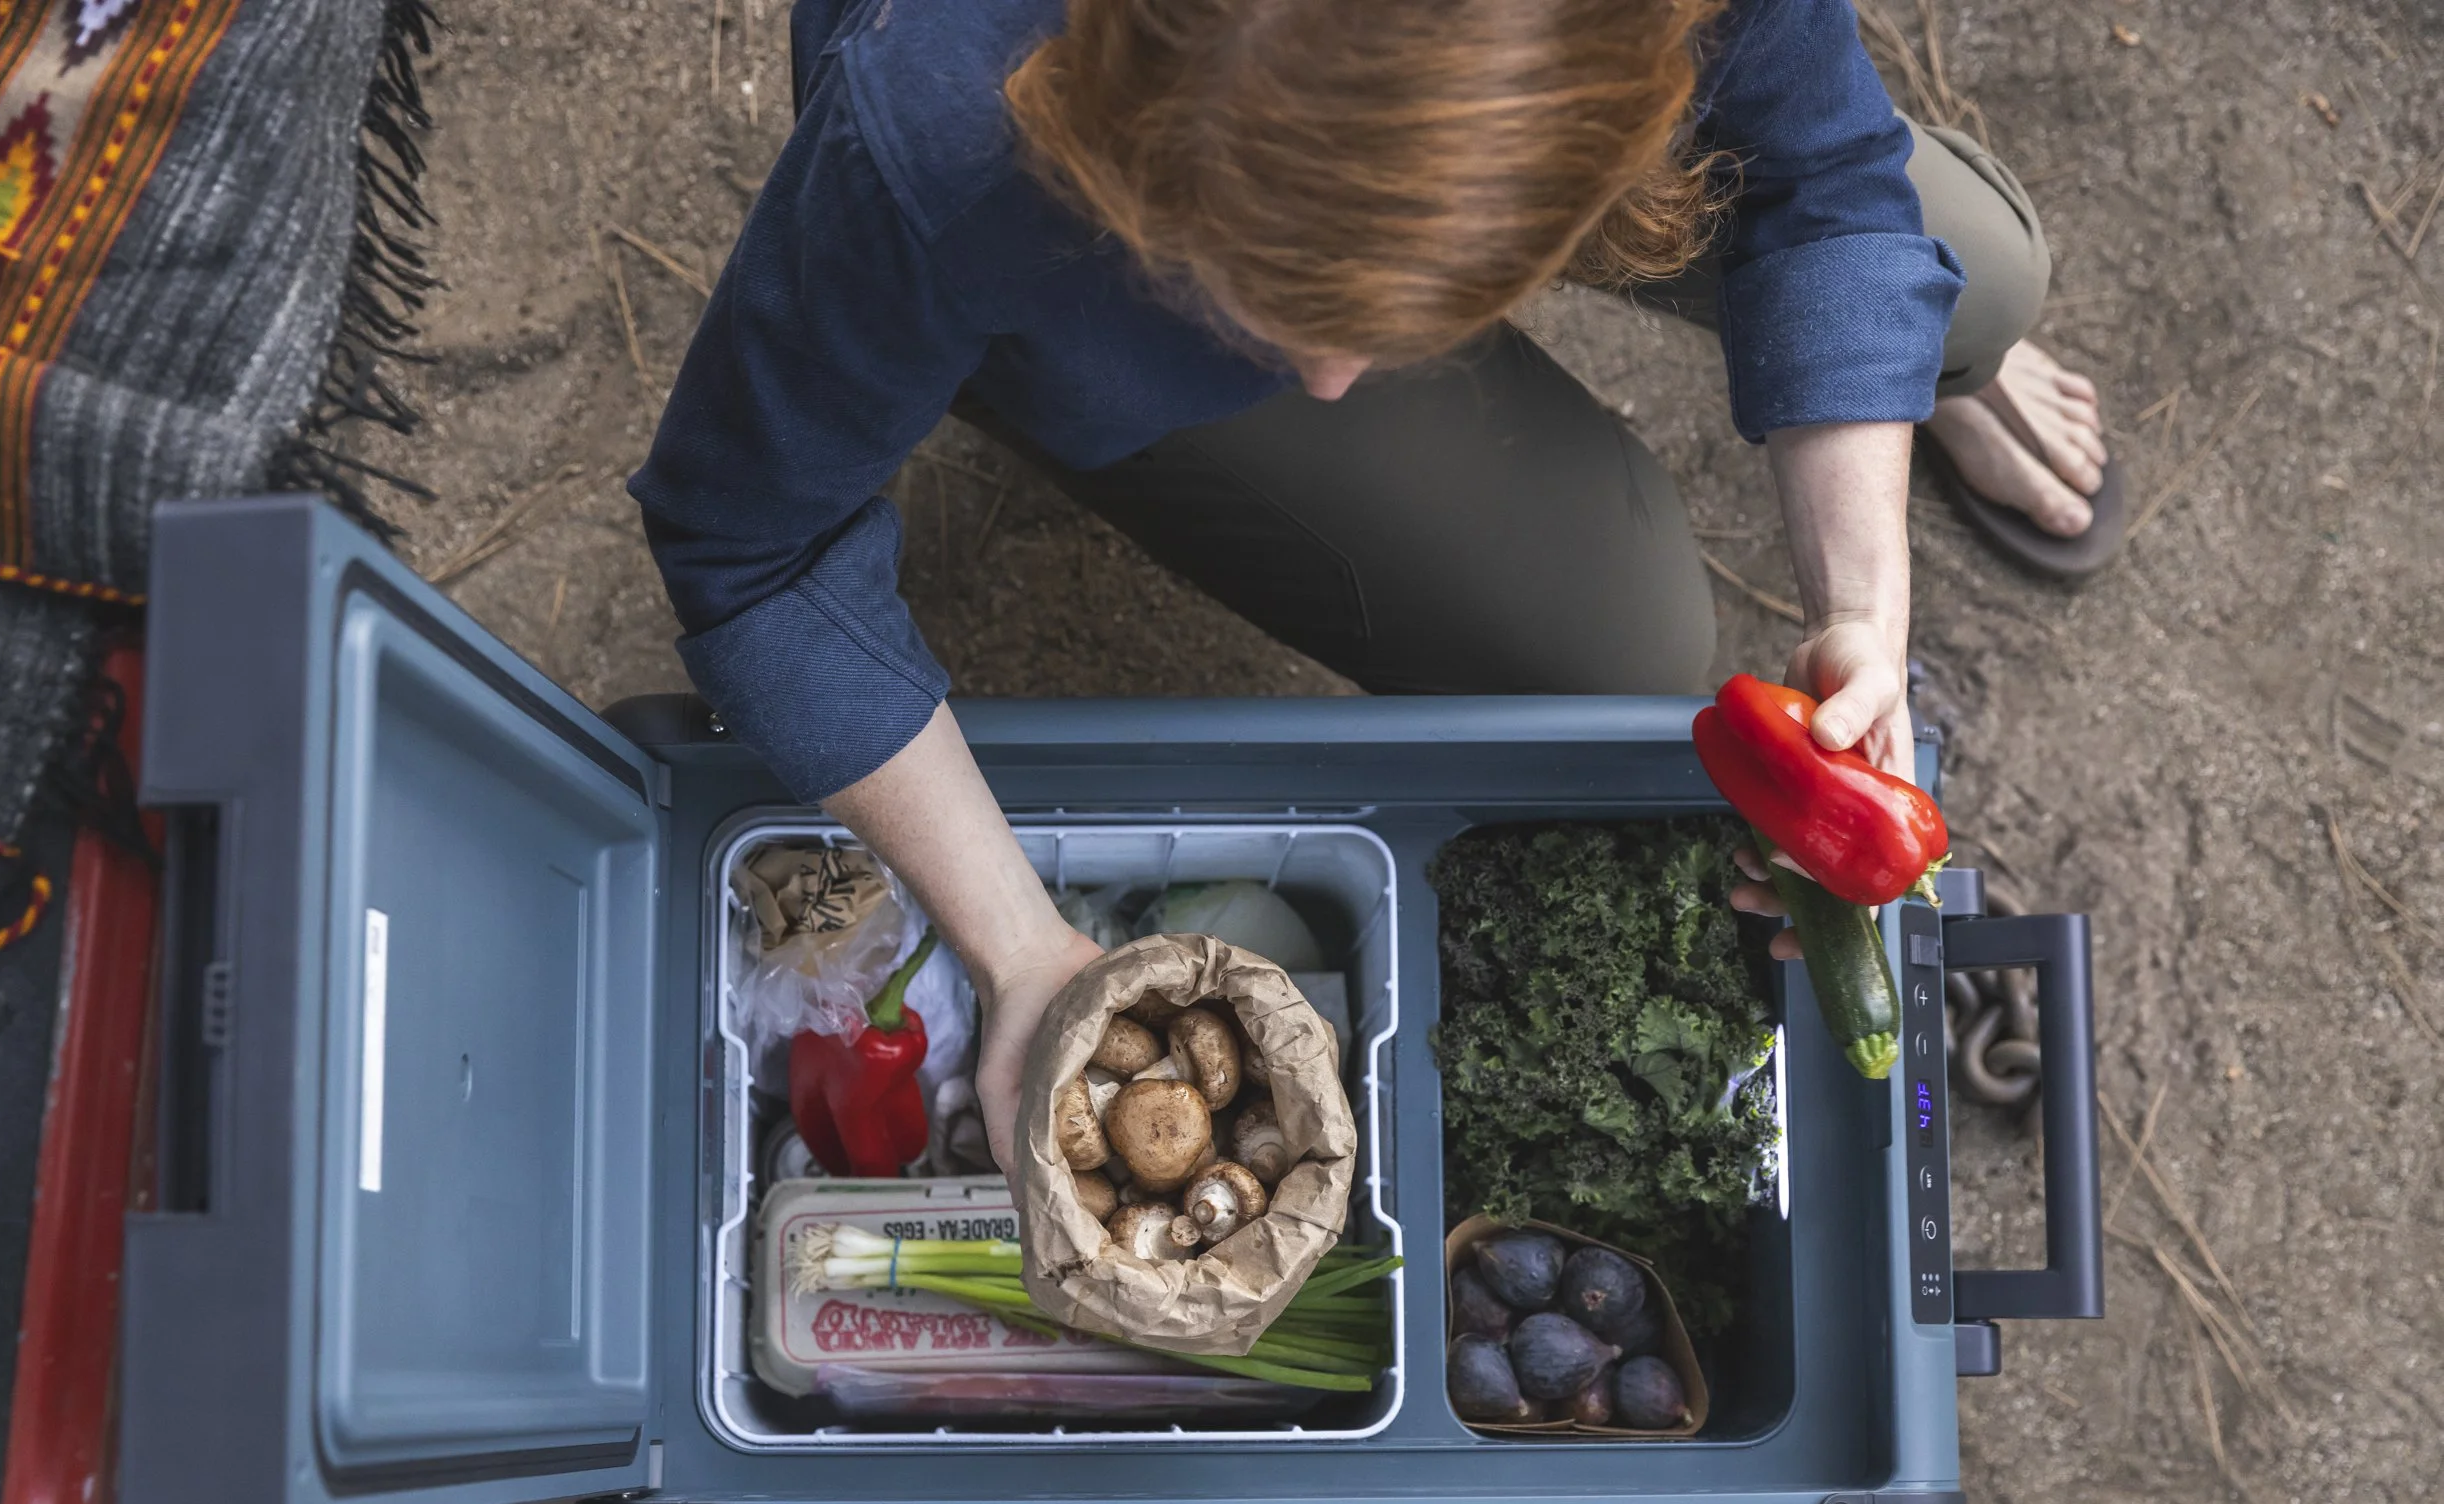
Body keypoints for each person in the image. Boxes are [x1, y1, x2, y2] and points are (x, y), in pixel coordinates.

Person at [631, 0, 2118, 1175]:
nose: (1335, 384)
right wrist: (1022, 951)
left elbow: (1822, 175)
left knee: (1963, 275)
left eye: (1396, 321)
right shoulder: (943, 123)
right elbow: (749, 547)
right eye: (1254, 296)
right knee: (1616, 639)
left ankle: (1914, 358)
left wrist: (1864, 600)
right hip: (1040, 235)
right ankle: (1090, 350)